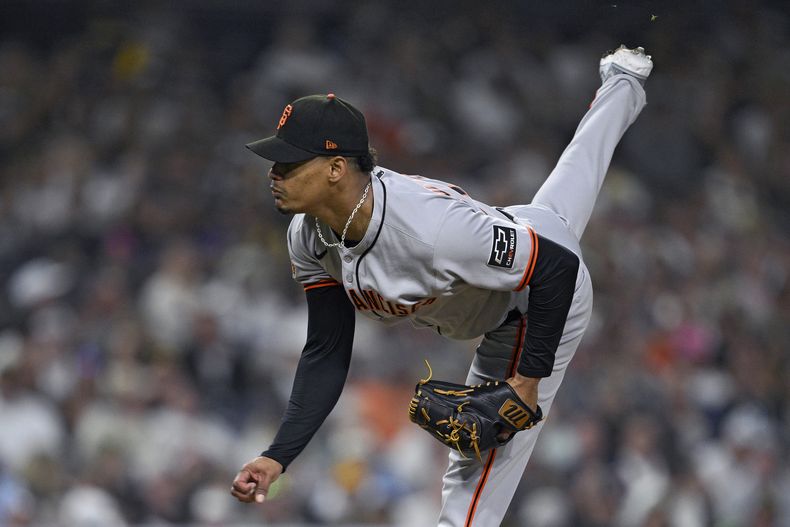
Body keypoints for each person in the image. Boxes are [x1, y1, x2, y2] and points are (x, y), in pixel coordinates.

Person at [231, 45, 653, 526]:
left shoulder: (430, 230)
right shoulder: (308, 236)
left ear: (335, 169)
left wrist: (527, 381)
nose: (273, 172)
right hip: (515, 239)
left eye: (288, 163)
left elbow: (556, 267)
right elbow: (327, 351)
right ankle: (624, 81)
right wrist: (278, 455)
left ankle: (622, 85)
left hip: (533, 302)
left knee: (472, 483)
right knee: (566, 192)